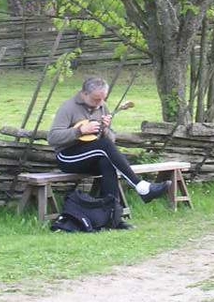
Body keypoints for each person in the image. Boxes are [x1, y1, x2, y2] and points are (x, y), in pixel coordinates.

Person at [47, 76, 169, 228]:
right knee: (103, 147)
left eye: (102, 99)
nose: (100, 103)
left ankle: (113, 219)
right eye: (96, 99)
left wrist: (105, 129)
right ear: (84, 94)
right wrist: (79, 131)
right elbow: (52, 138)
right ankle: (141, 187)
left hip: (94, 154)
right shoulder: (68, 108)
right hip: (68, 157)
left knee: (108, 162)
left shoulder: (102, 106)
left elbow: (111, 140)